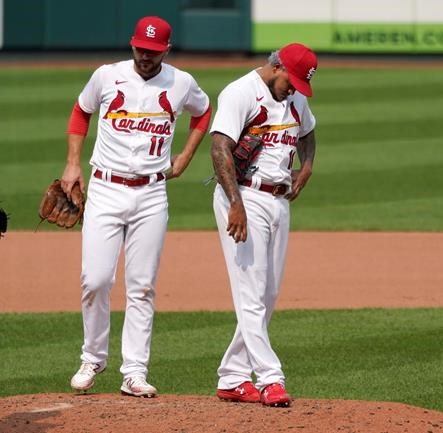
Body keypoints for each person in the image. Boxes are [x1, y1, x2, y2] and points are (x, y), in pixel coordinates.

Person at [63, 16, 212, 397]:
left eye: (153, 51)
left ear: (166, 50)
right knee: (94, 280)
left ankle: (135, 370)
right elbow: (82, 111)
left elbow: (204, 111)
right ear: (132, 45)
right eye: (140, 49)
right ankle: (93, 357)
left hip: (151, 194)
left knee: (142, 286)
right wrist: (72, 163)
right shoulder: (107, 76)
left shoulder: (181, 83)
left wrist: (186, 155)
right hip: (106, 189)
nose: (145, 56)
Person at [209, 43, 318, 407]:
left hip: (279, 200)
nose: (296, 90)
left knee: (267, 294)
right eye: (294, 82)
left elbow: (308, 133)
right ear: (277, 67)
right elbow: (219, 148)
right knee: (251, 291)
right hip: (243, 197)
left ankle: (232, 375)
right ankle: (271, 378)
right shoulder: (240, 93)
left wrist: (306, 167)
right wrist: (235, 205)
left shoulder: (295, 99)